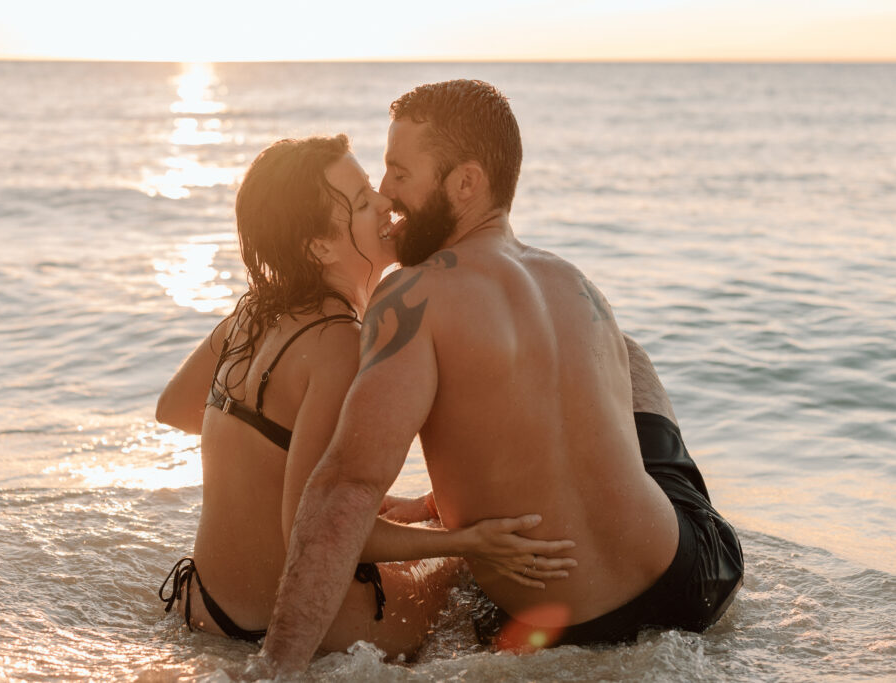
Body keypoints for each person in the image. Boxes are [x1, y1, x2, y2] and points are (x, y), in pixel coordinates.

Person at [255, 81, 744, 674]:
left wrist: (272, 670)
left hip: (575, 626)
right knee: (627, 352)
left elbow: (345, 488)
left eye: (399, 172)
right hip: (695, 578)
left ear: (465, 182)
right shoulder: (574, 280)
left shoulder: (410, 295)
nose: (385, 193)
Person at [154, 134, 577, 659]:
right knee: (467, 570)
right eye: (359, 203)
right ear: (320, 246)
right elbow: (311, 530)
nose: (384, 200)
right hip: (295, 629)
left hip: (203, 605)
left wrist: (286, 467)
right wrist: (462, 542)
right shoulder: (340, 344)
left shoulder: (251, 315)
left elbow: (173, 408)